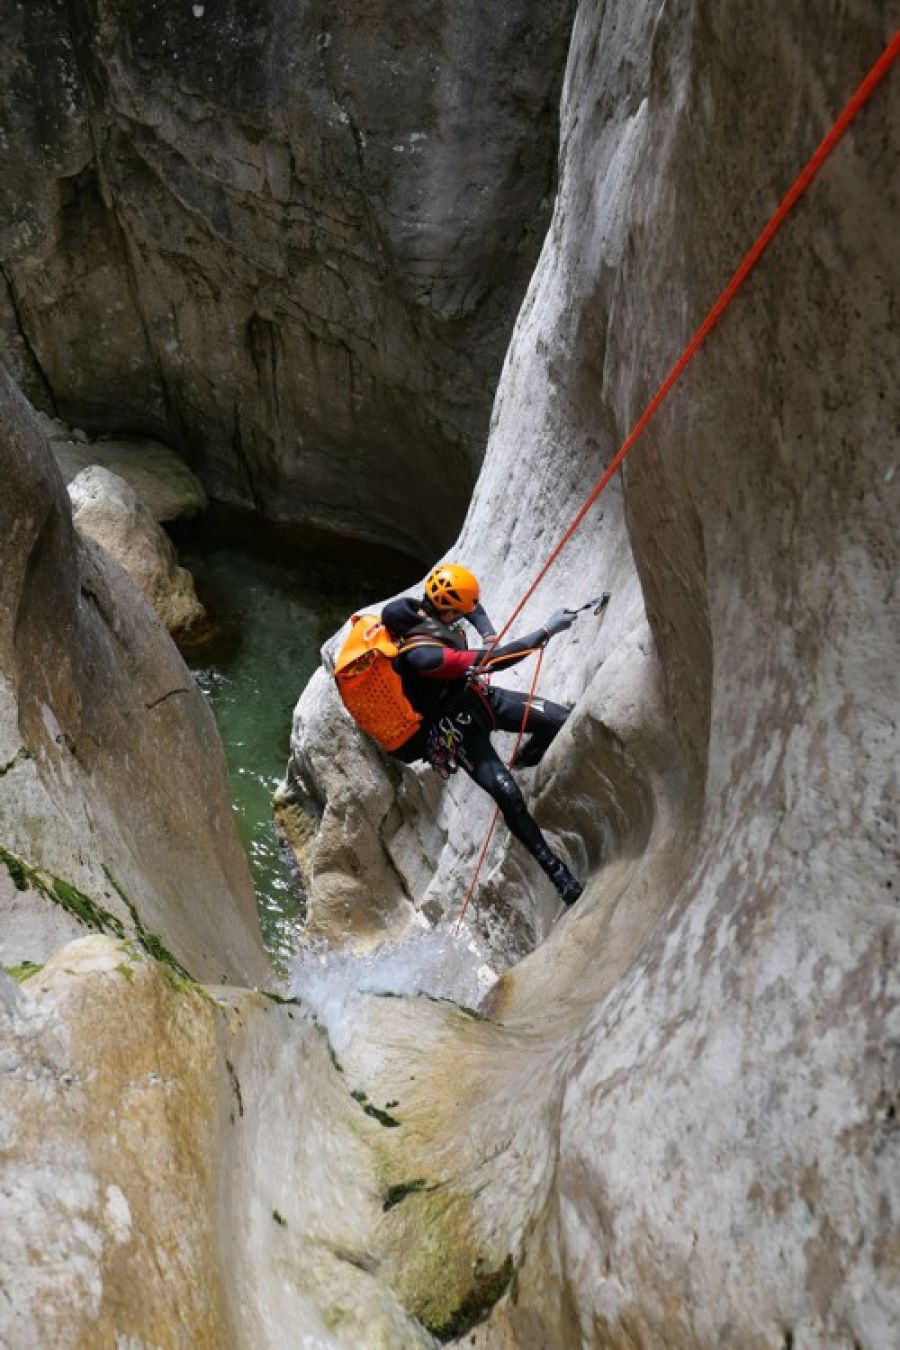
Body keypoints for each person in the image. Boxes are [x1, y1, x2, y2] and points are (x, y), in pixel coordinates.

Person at [381, 563, 584, 906]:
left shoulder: (426, 607)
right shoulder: (422, 655)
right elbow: (494, 660)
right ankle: (558, 874)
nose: (466, 615)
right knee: (507, 793)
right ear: (445, 610)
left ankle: (529, 756)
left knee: (559, 719)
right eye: (458, 612)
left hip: (479, 700)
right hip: (456, 731)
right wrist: (546, 632)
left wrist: (488, 631)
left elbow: (474, 609)